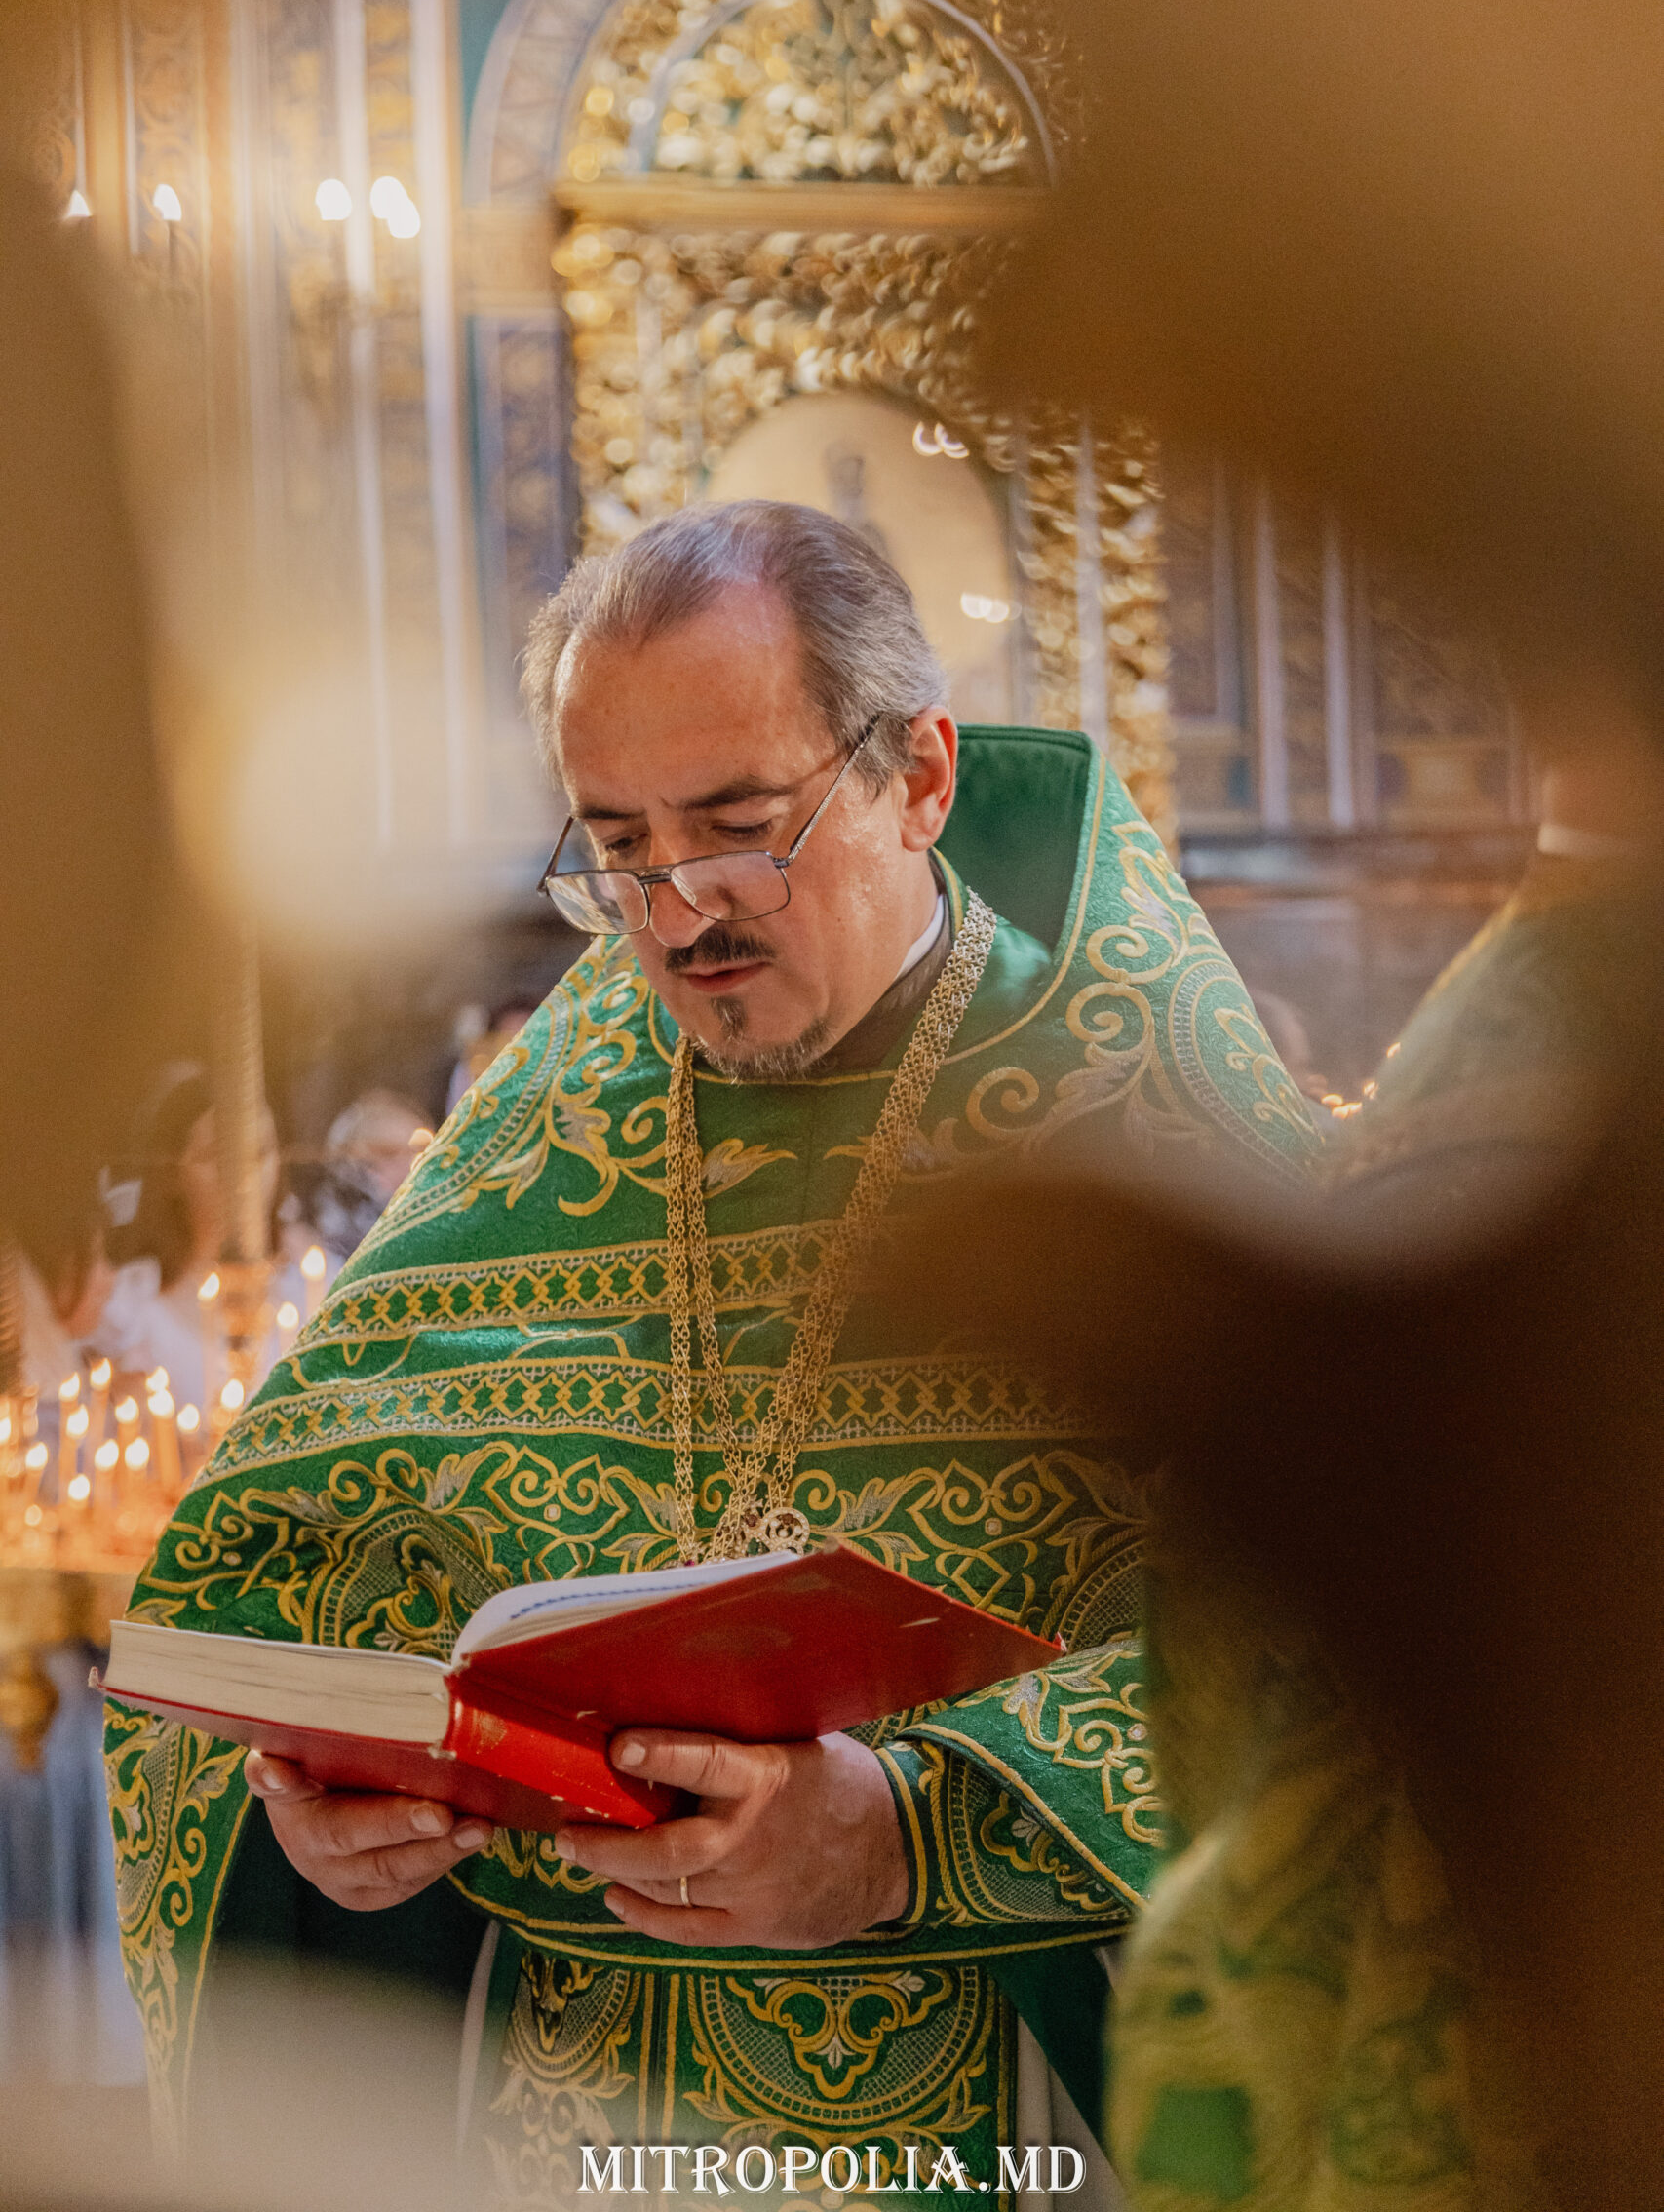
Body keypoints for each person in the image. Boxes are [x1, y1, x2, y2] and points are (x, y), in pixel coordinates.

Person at [107, 501, 1316, 2190]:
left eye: (743, 827)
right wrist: (311, 1809)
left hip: (1023, 2110)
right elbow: (262, 1603)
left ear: (918, 778)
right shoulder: (537, 1147)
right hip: (582, 2126)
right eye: (618, 847)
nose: (680, 912)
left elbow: (1366, 1631)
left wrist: (915, 1835)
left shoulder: (1153, 1133)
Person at [96, 1067, 321, 1415]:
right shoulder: (131, 1313)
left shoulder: (311, 1288)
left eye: (261, 1151)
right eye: (217, 1156)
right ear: (171, 1174)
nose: (245, 1179)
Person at [310, 1088, 432, 1263]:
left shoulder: (432, 1221)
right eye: (388, 1153)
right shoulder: (324, 1243)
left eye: (420, 1149)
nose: (409, 1162)